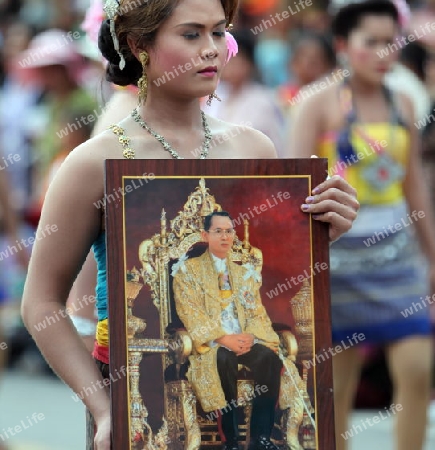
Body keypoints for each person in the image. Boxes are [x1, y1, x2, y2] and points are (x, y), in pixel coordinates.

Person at [20, 1, 359, 450]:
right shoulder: (94, 162)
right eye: (191, 34)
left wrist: (318, 235)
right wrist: (105, 410)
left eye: (219, 33)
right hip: (138, 396)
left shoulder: (251, 149)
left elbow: (268, 280)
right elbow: (41, 303)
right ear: (139, 45)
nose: (211, 49)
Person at [287, 1, 435, 450]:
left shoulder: (403, 102)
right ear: (342, 46)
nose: (383, 51)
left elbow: (414, 188)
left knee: (417, 368)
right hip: (337, 258)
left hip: (398, 255)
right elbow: (292, 188)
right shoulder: (315, 103)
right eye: (370, 41)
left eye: (390, 41)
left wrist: (432, 257)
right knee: (337, 387)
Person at [173, 211, 283, 450]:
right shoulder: (187, 271)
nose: (225, 236)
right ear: (205, 235)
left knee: (269, 360)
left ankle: (260, 437)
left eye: (229, 231)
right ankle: (230, 440)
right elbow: (190, 313)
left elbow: (256, 312)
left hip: (243, 340)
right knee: (223, 359)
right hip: (211, 344)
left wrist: (250, 335)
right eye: (218, 231)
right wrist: (223, 338)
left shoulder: (244, 274)